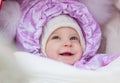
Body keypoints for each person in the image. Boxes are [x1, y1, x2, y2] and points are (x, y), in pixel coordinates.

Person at [16, 0, 120, 70]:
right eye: (56, 37)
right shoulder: (32, 65)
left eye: (74, 38)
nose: (68, 43)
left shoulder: (92, 63)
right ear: (41, 47)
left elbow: (114, 63)